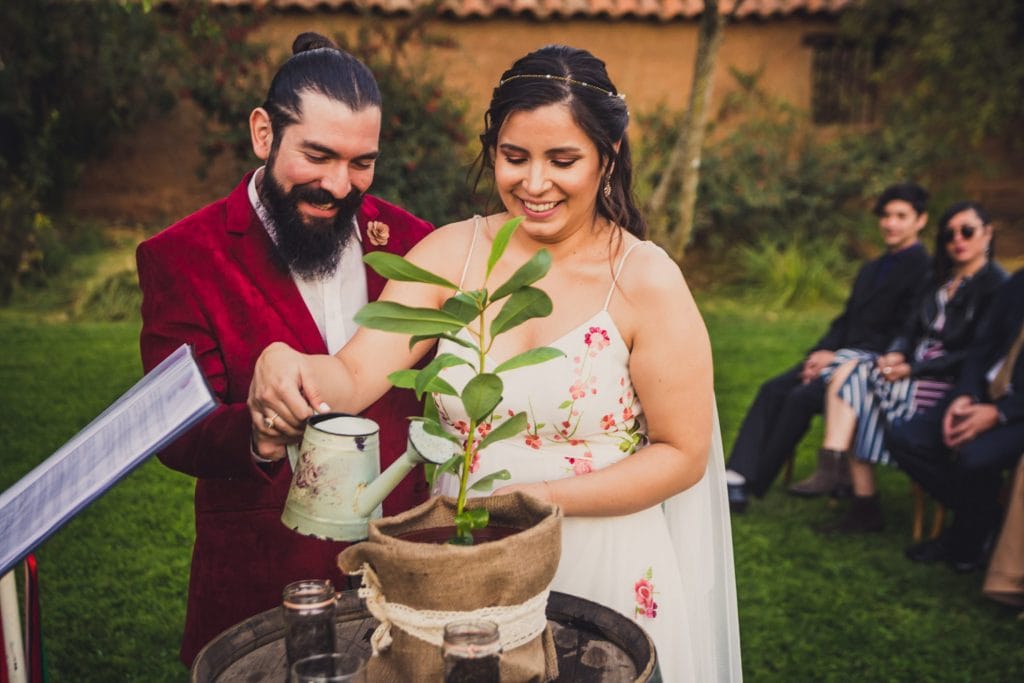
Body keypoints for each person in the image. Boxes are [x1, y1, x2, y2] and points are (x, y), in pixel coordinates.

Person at [248, 45, 742, 681]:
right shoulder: (447, 256)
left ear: (607, 158)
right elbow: (352, 377)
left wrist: (527, 500)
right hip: (468, 564)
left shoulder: (645, 280)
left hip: (604, 565)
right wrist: (281, 360)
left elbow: (681, 453)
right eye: (515, 158)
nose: (534, 184)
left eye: (563, 160)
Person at [135, 33, 433, 666]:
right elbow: (178, 434)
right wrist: (258, 435)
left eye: (362, 162)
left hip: (402, 572)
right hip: (260, 578)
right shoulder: (182, 257)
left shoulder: (414, 243)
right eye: (318, 155)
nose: (339, 184)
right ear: (264, 133)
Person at [725, 184, 931, 512]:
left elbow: (907, 331)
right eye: (887, 216)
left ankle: (754, 482)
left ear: (920, 220)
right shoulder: (871, 268)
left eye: (901, 216)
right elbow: (845, 319)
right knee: (773, 388)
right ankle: (735, 475)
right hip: (838, 353)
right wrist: (818, 354)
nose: (891, 223)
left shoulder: (925, 269)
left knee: (799, 397)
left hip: (869, 366)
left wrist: (837, 358)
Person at [816, 201, 1007, 534]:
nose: (958, 240)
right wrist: (896, 354)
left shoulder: (996, 286)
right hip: (913, 367)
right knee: (855, 374)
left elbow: (977, 354)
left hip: (947, 379)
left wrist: (913, 369)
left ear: (988, 233)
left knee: (855, 382)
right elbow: (908, 330)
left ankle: (856, 490)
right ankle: (853, 487)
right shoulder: (938, 279)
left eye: (967, 231)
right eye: (949, 234)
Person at [888, 268, 1024, 570]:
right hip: (982, 391)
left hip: (1018, 410)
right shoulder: (1018, 282)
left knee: (974, 457)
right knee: (905, 439)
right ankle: (985, 518)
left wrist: (999, 414)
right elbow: (982, 346)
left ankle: (966, 536)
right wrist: (966, 394)